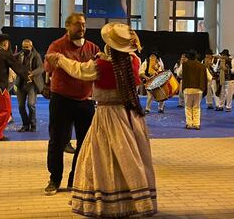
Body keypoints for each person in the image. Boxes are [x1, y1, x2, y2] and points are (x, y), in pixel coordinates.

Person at [46, 22, 157, 218]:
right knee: (131, 156)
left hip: (107, 117)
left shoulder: (101, 65)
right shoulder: (133, 61)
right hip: (130, 116)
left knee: (102, 158)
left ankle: (109, 200)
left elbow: (78, 70)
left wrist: (60, 59)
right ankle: (135, 197)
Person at [44, 12, 100, 195]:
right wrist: (52, 62)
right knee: (57, 141)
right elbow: (48, 67)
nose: (82, 28)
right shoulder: (57, 46)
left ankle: (74, 179)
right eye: (77, 24)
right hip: (61, 99)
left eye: (83, 24)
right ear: (68, 26)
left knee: (85, 143)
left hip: (85, 101)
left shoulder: (93, 48)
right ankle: (54, 179)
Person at [15, 39, 44, 132]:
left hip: (31, 84)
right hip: (20, 84)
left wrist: (33, 73)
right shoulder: (19, 55)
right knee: (21, 106)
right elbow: (10, 59)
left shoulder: (36, 55)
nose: (24, 49)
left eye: (26, 47)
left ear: (31, 47)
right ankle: (25, 125)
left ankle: (33, 124)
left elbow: (41, 68)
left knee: (31, 105)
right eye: (23, 47)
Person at [178, 49, 211, 130]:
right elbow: (209, 78)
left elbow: (179, 74)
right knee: (197, 107)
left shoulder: (184, 65)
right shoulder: (202, 66)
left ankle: (189, 124)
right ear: (196, 57)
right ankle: (197, 124)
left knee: (188, 107)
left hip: (187, 89)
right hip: (199, 89)